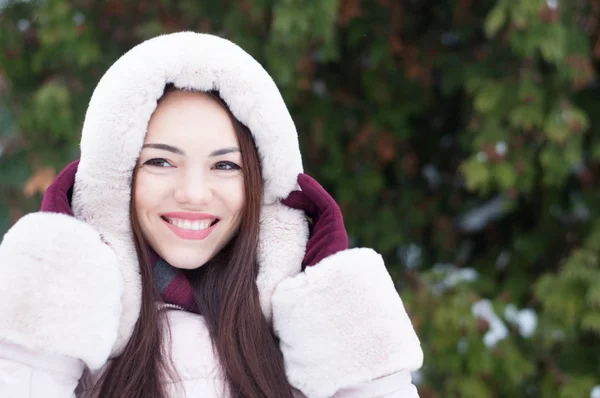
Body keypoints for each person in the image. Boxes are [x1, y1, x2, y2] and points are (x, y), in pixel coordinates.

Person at [0, 32, 423, 397]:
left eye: (225, 166)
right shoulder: (79, 327)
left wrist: (343, 321)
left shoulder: (303, 332)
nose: (193, 194)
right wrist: (36, 328)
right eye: (161, 162)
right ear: (117, 177)